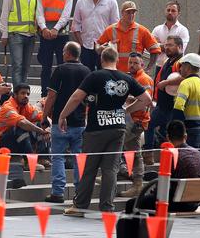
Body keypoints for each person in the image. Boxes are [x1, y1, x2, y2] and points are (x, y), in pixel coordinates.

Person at [61, 47, 151, 216]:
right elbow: (147, 99)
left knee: (89, 168)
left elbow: (76, 97)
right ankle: (107, 208)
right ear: (117, 60)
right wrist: (127, 110)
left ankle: (80, 207)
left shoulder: (95, 76)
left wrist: (62, 115)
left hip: (96, 129)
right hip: (118, 128)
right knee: (111, 169)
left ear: (102, 59)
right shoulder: (126, 79)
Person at [108, 120, 200, 238]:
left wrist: (148, 195)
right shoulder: (196, 153)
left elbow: (163, 187)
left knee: (132, 204)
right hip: (194, 201)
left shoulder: (171, 155)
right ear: (185, 136)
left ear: (167, 137)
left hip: (179, 201)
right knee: (143, 202)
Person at [41, 41, 90, 203]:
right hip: (80, 122)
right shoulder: (86, 71)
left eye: (63, 52)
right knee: (79, 158)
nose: (62, 54)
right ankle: (79, 193)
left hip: (60, 122)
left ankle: (57, 192)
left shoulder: (60, 70)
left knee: (58, 157)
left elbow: (52, 96)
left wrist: (44, 116)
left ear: (68, 53)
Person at [0, 84, 49, 187]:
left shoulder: (26, 106)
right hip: (4, 143)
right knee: (21, 126)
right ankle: (30, 161)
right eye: (23, 93)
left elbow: (41, 116)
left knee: (40, 124)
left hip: (17, 141)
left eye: (28, 94)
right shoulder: (8, 106)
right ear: (15, 94)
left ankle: (42, 158)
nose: (26, 96)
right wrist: (41, 131)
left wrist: (46, 128)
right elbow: (22, 123)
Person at [0, 0, 42, 87]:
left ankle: (22, 91)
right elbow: (5, 13)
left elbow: (38, 14)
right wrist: (4, 34)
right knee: (17, 65)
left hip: (30, 35)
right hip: (15, 34)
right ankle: (18, 93)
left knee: (26, 67)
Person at [172, 53, 200, 175]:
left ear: (188, 67)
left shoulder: (186, 83)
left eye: (182, 66)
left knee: (191, 167)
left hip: (192, 132)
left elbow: (178, 108)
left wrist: (177, 132)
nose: (180, 69)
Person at [144, 35, 183, 164]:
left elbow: (183, 77)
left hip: (172, 107)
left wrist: (165, 83)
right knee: (149, 125)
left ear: (180, 47)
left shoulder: (181, 62)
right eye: (166, 45)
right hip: (161, 105)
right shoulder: (168, 61)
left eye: (170, 45)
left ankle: (173, 159)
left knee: (170, 134)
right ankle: (149, 155)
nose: (167, 47)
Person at [118, 53, 153, 197]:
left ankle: (118, 174)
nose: (132, 65)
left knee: (116, 145)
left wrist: (127, 104)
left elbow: (145, 101)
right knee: (133, 151)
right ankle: (137, 183)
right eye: (130, 62)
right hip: (130, 119)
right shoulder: (129, 78)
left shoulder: (144, 79)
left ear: (142, 65)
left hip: (136, 120)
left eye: (135, 63)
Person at [38, 0, 74, 97]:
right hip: (46, 34)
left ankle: (63, 93)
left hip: (61, 34)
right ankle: (44, 95)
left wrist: (55, 29)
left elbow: (66, 14)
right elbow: (39, 13)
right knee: (45, 67)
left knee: (63, 65)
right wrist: (44, 29)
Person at [96, 1, 161, 74]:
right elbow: (97, 46)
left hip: (134, 75)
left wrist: (148, 68)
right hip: (115, 73)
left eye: (133, 13)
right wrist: (100, 48)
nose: (131, 15)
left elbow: (155, 50)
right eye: (128, 12)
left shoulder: (142, 31)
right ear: (122, 13)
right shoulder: (110, 30)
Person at [71, 0, 119, 71]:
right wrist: (81, 43)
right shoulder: (81, 1)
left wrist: (110, 44)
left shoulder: (111, 1)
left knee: (104, 75)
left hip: (105, 47)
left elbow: (115, 26)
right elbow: (76, 25)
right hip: (86, 46)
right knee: (87, 76)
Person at [151, 1, 190, 70]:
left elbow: (179, 50)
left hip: (176, 67)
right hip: (159, 67)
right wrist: (171, 46)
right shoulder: (157, 29)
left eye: (173, 11)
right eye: (168, 10)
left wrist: (159, 45)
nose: (170, 12)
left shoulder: (183, 30)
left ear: (178, 14)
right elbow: (151, 48)